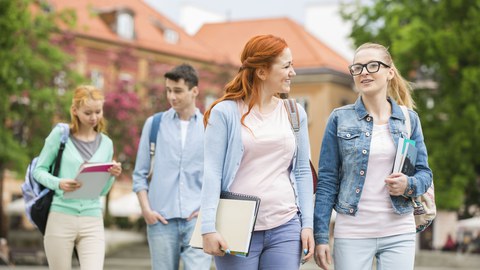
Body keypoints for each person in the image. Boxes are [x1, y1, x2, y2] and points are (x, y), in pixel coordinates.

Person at [313, 42, 433, 270]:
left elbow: (425, 174)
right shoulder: (339, 119)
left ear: (390, 72)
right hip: (353, 231)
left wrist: (408, 184)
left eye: (372, 65)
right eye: (357, 68)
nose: (364, 72)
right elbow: (327, 182)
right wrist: (321, 236)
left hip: (399, 230)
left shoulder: (409, 120)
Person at [201, 34, 315, 270]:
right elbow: (211, 171)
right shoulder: (225, 113)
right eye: (286, 66)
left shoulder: (295, 113)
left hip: (285, 225)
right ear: (262, 71)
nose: (293, 72)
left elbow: (303, 170)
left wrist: (307, 225)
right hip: (236, 227)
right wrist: (208, 227)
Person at [33, 85, 122, 270]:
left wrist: (112, 176)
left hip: (92, 219)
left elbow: (102, 191)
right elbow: (38, 170)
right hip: (60, 216)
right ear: (75, 111)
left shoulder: (107, 144)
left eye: (98, 111)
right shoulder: (60, 136)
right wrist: (59, 183)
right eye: (88, 112)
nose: (94, 117)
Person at [132, 64, 212, 270]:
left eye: (177, 91)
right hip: (161, 221)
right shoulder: (154, 124)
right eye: (168, 90)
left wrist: (206, 211)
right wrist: (146, 211)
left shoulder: (209, 127)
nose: (171, 96)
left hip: (197, 220)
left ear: (194, 91)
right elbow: (139, 175)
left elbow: (219, 175)